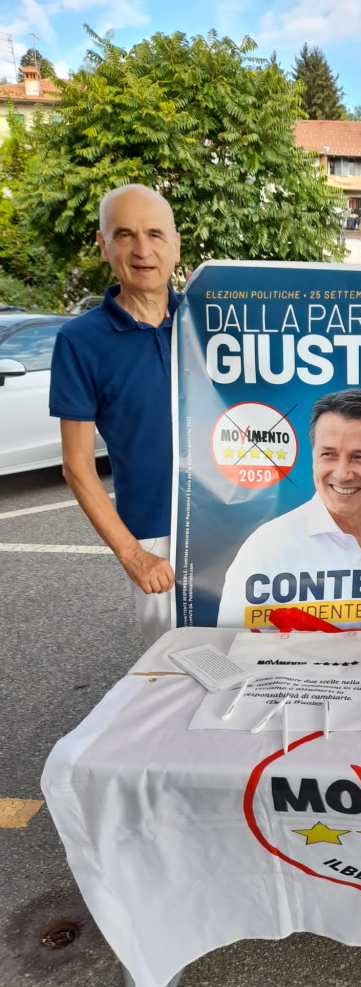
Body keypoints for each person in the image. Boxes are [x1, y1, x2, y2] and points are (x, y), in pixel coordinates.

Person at [49, 184, 181, 646]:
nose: (143, 250)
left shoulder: (212, 323)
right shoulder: (80, 342)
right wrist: (132, 555)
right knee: (174, 668)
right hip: (156, 540)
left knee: (253, 660)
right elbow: (77, 466)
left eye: (155, 234)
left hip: (234, 527)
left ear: (175, 244)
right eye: (125, 235)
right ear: (103, 245)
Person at [217, 389, 361, 635]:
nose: (342, 474)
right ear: (313, 459)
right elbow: (231, 648)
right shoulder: (265, 550)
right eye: (328, 455)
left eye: (360, 457)